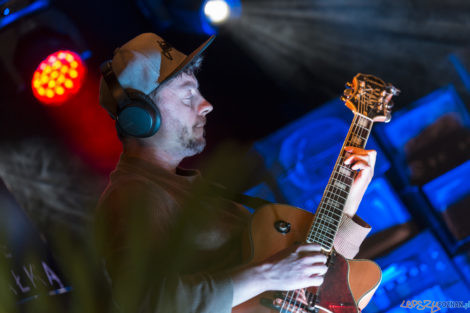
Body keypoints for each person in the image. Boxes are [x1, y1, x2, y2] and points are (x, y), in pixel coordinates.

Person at [95, 33, 376, 313]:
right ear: (141, 116)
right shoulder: (132, 194)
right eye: (188, 94)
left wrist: (349, 202)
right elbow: (147, 302)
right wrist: (268, 274)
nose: (206, 104)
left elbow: (310, 283)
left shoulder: (191, 189)